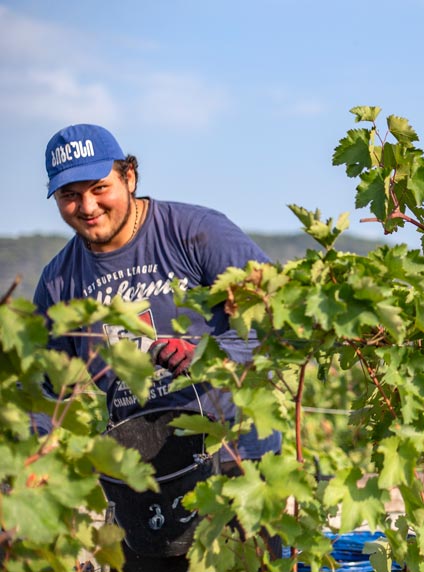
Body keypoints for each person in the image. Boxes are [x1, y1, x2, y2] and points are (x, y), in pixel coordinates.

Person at [34, 124, 281, 570]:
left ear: (129, 176)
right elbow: (46, 394)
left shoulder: (196, 233)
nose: (87, 207)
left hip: (236, 464)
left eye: (99, 188)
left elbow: (279, 314)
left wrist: (210, 352)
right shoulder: (58, 283)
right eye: (70, 195)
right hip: (143, 482)